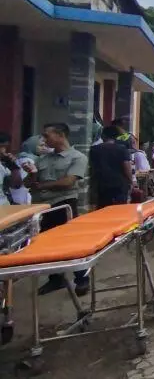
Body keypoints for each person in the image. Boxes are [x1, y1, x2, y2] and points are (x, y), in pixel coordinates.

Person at [22, 123, 89, 296]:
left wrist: (42, 185)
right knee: (46, 244)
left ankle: (81, 278)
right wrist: (32, 174)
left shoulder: (77, 157)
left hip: (63, 204)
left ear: (60, 135)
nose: (44, 139)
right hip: (42, 207)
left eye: (47, 135)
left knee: (70, 243)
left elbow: (68, 182)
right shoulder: (43, 159)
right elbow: (27, 184)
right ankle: (55, 279)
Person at [89, 126, 133, 208]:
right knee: (119, 210)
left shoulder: (94, 149)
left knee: (103, 210)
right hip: (119, 185)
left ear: (103, 136)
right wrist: (131, 181)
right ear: (116, 137)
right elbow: (127, 168)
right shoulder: (122, 149)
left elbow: (91, 168)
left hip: (101, 185)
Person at [9, 136, 46, 205]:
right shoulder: (27, 160)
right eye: (41, 145)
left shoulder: (32, 158)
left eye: (45, 145)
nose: (44, 148)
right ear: (32, 145)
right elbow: (24, 182)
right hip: (23, 198)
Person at [0, 132, 23, 205]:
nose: (3, 151)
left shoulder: (4, 165)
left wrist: (13, 166)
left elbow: (16, 185)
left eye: (6, 148)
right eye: (1, 147)